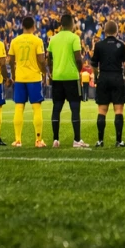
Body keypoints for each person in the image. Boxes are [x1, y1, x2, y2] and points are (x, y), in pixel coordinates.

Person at [47, 14, 87, 148]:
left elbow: (49, 59)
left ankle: (55, 140)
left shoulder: (53, 39)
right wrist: (78, 70)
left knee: (56, 108)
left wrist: (52, 72)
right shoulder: (74, 38)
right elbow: (78, 58)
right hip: (72, 77)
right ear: (72, 24)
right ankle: (77, 140)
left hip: (57, 77)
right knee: (75, 108)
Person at [90, 21, 125, 147]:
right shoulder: (121, 45)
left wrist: (96, 77)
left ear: (105, 31)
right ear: (117, 31)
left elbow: (94, 64)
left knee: (102, 110)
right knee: (118, 110)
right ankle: (118, 141)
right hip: (117, 77)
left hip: (103, 77)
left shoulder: (99, 45)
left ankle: (100, 141)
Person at [9, 16, 48, 148]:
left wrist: (13, 75)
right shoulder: (37, 41)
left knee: (19, 107)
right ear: (33, 27)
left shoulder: (15, 41)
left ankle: (18, 140)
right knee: (36, 108)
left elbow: (10, 60)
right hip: (34, 78)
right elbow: (41, 60)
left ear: (22, 26)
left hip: (20, 77)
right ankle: (38, 140)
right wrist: (44, 73)